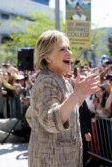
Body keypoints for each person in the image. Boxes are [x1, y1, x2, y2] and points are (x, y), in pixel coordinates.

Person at [26, 30, 99, 167]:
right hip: (51, 161)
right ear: (47, 58)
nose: (69, 53)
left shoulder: (62, 81)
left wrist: (80, 97)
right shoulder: (46, 81)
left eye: (69, 48)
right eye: (62, 49)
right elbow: (50, 120)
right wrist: (76, 95)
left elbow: (66, 112)